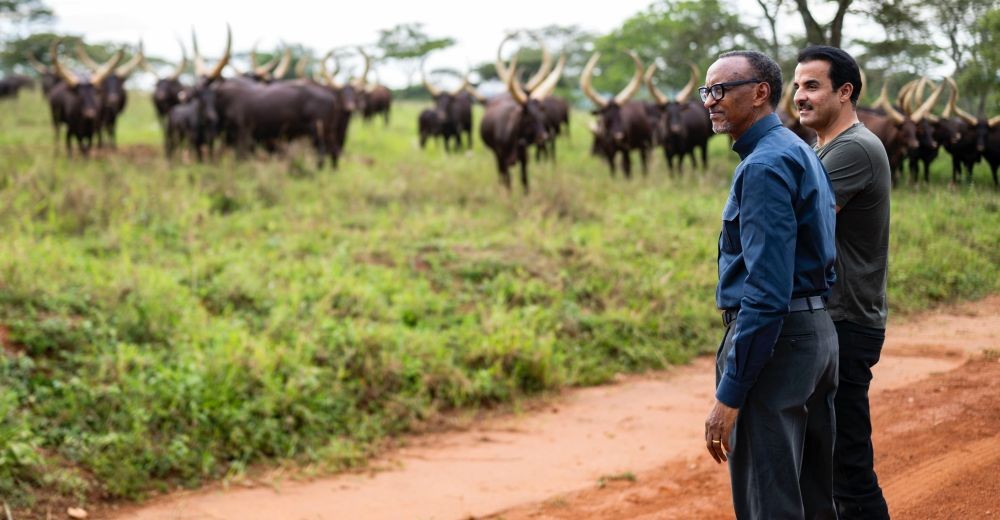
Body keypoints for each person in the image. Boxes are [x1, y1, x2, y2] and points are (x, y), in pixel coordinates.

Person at [701, 50, 839, 519]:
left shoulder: (762, 166)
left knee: (770, 503)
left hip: (777, 348)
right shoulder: (800, 150)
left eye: (721, 89)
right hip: (816, 334)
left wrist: (731, 392)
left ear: (760, 93)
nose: (710, 102)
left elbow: (765, 292)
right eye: (707, 91)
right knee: (815, 496)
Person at [794, 45, 892, 519]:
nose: (799, 96)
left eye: (811, 85)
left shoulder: (852, 147)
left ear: (845, 91)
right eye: (796, 86)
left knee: (848, 469)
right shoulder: (825, 147)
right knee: (829, 466)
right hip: (838, 319)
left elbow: (801, 224)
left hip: (846, 321)